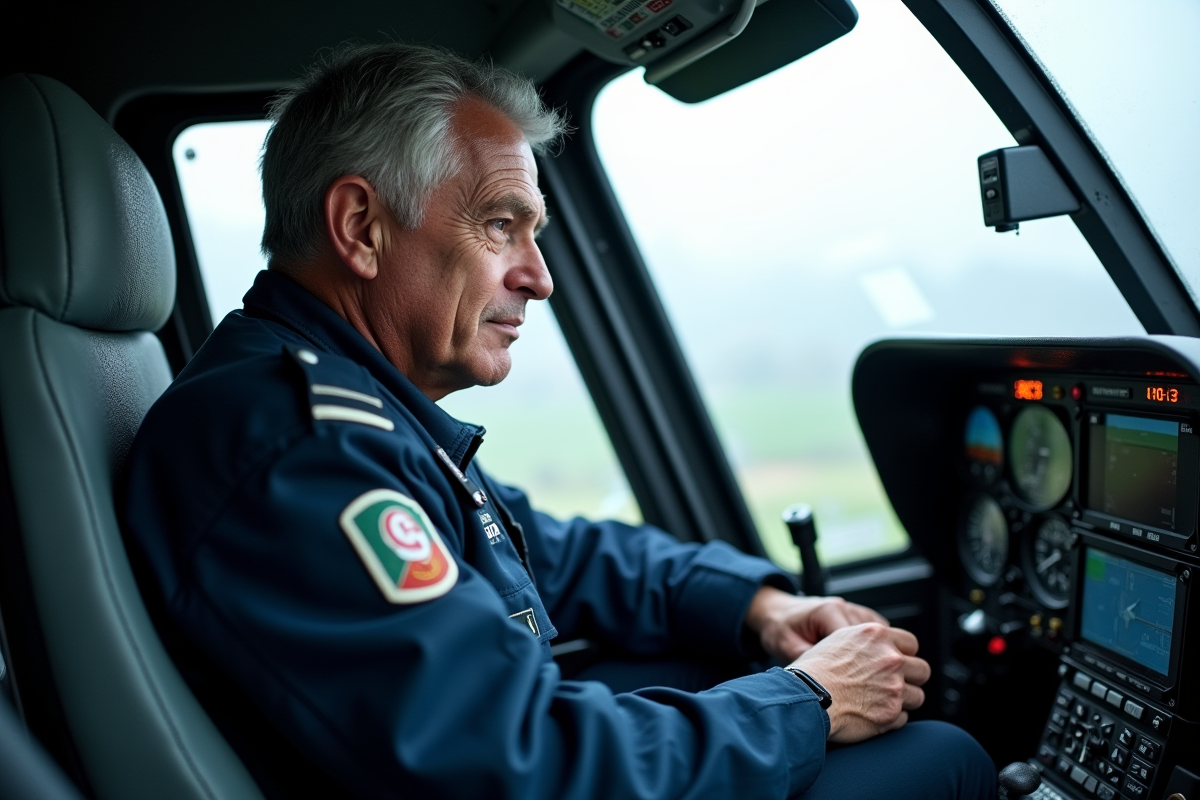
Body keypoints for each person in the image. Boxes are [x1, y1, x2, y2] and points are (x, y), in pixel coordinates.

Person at [125, 43, 996, 800]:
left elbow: (550, 549)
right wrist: (807, 702)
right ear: (361, 227)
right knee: (943, 760)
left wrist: (759, 607)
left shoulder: (349, 409)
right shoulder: (297, 450)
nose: (539, 277)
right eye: (502, 225)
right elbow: (520, 765)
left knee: (731, 661)